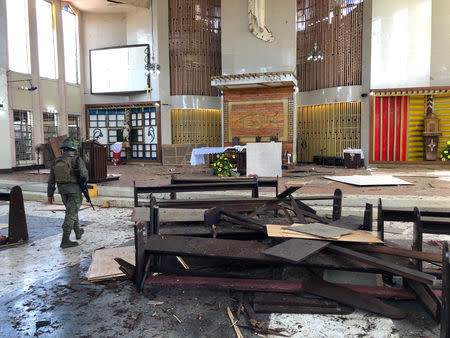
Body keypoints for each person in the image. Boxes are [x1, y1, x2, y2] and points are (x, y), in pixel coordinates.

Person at [47, 137, 89, 248]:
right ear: (74, 149)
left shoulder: (56, 161)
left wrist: (50, 194)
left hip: (62, 190)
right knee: (70, 214)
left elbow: (51, 180)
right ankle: (65, 240)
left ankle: (78, 231)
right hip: (74, 190)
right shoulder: (77, 160)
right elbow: (85, 175)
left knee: (72, 211)